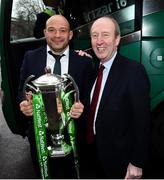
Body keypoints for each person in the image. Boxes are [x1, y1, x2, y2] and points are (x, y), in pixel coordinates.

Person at [18, 14, 93, 178]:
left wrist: (82, 107)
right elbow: (22, 90)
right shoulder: (30, 57)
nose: (57, 35)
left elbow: (89, 97)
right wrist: (24, 102)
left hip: (74, 136)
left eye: (62, 30)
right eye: (51, 30)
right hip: (40, 137)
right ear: (45, 32)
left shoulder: (84, 62)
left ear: (70, 34)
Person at [80, 16, 151, 179]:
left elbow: (143, 121)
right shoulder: (93, 72)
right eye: (94, 36)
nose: (99, 41)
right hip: (93, 157)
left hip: (120, 162)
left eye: (105, 35)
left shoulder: (134, 71)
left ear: (117, 39)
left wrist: (137, 162)